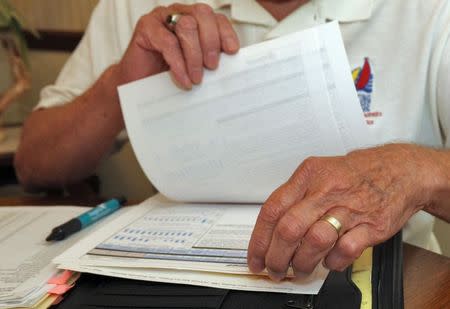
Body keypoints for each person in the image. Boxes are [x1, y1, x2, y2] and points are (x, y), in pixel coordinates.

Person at [14, 0, 450, 281]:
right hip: (171, 277)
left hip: (388, 281)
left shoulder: (431, 12)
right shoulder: (139, 6)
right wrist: (119, 85)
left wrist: (416, 172)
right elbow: (35, 164)